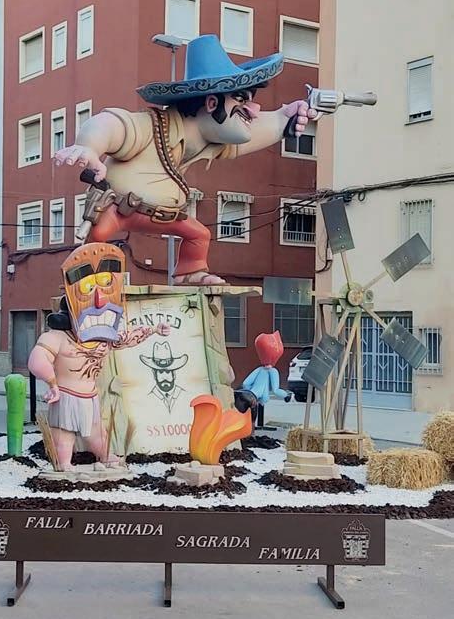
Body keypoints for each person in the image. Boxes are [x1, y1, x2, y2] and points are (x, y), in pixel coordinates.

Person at [54, 34, 317, 285]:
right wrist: (89, 147)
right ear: (211, 103)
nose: (254, 110)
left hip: (163, 215)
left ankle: (190, 272)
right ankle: (86, 283)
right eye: (240, 99)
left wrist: (284, 118)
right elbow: (111, 124)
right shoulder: (151, 126)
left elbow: (251, 134)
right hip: (118, 208)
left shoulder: (209, 141)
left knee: (199, 234)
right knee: (97, 240)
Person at [28, 243, 170, 471]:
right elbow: (37, 360)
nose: (99, 303)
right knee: (64, 432)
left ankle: (105, 457)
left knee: (97, 431)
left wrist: (154, 329)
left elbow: (128, 337)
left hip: (90, 396)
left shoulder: (104, 337)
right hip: (66, 394)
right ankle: (64, 464)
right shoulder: (57, 337)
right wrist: (52, 383)